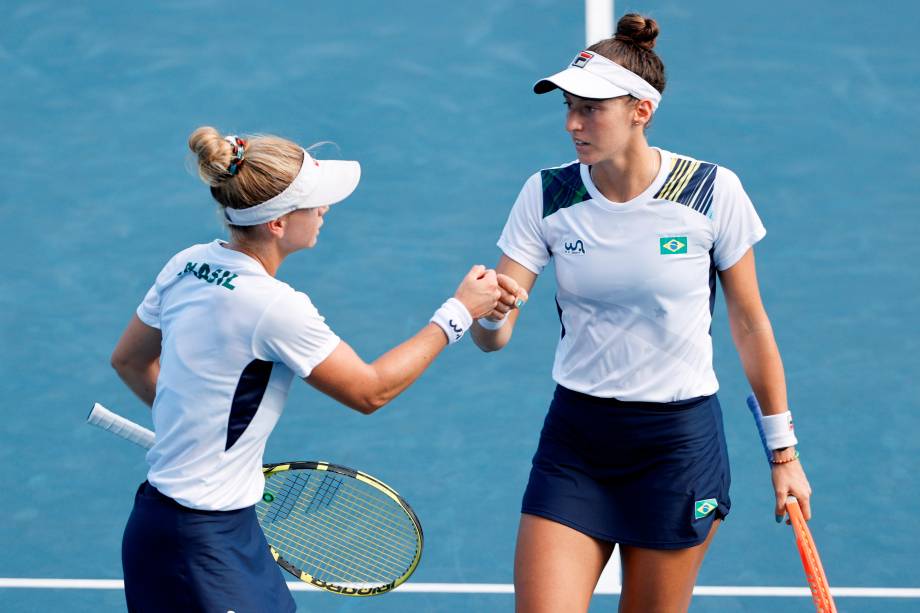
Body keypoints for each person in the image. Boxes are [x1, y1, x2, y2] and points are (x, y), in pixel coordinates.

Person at [471, 14, 813, 613]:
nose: (574, 124)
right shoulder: (549, 193)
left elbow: (751, 324)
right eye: (569, 107)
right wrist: (491, 313)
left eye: (592, 109)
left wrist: (784, 456)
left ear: (640, 111)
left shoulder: (710, 191)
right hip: (577, 440)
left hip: (676, 446)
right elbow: (493, 337)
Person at [109, 126, 501, 612]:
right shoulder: (276, 308)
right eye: (314, 202)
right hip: (203, 544)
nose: (324, 210)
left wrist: (192, 435)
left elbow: (129, 360)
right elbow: (369, 391)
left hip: (170, 523)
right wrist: (458, 312)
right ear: (277, 223)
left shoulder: (186, 265)